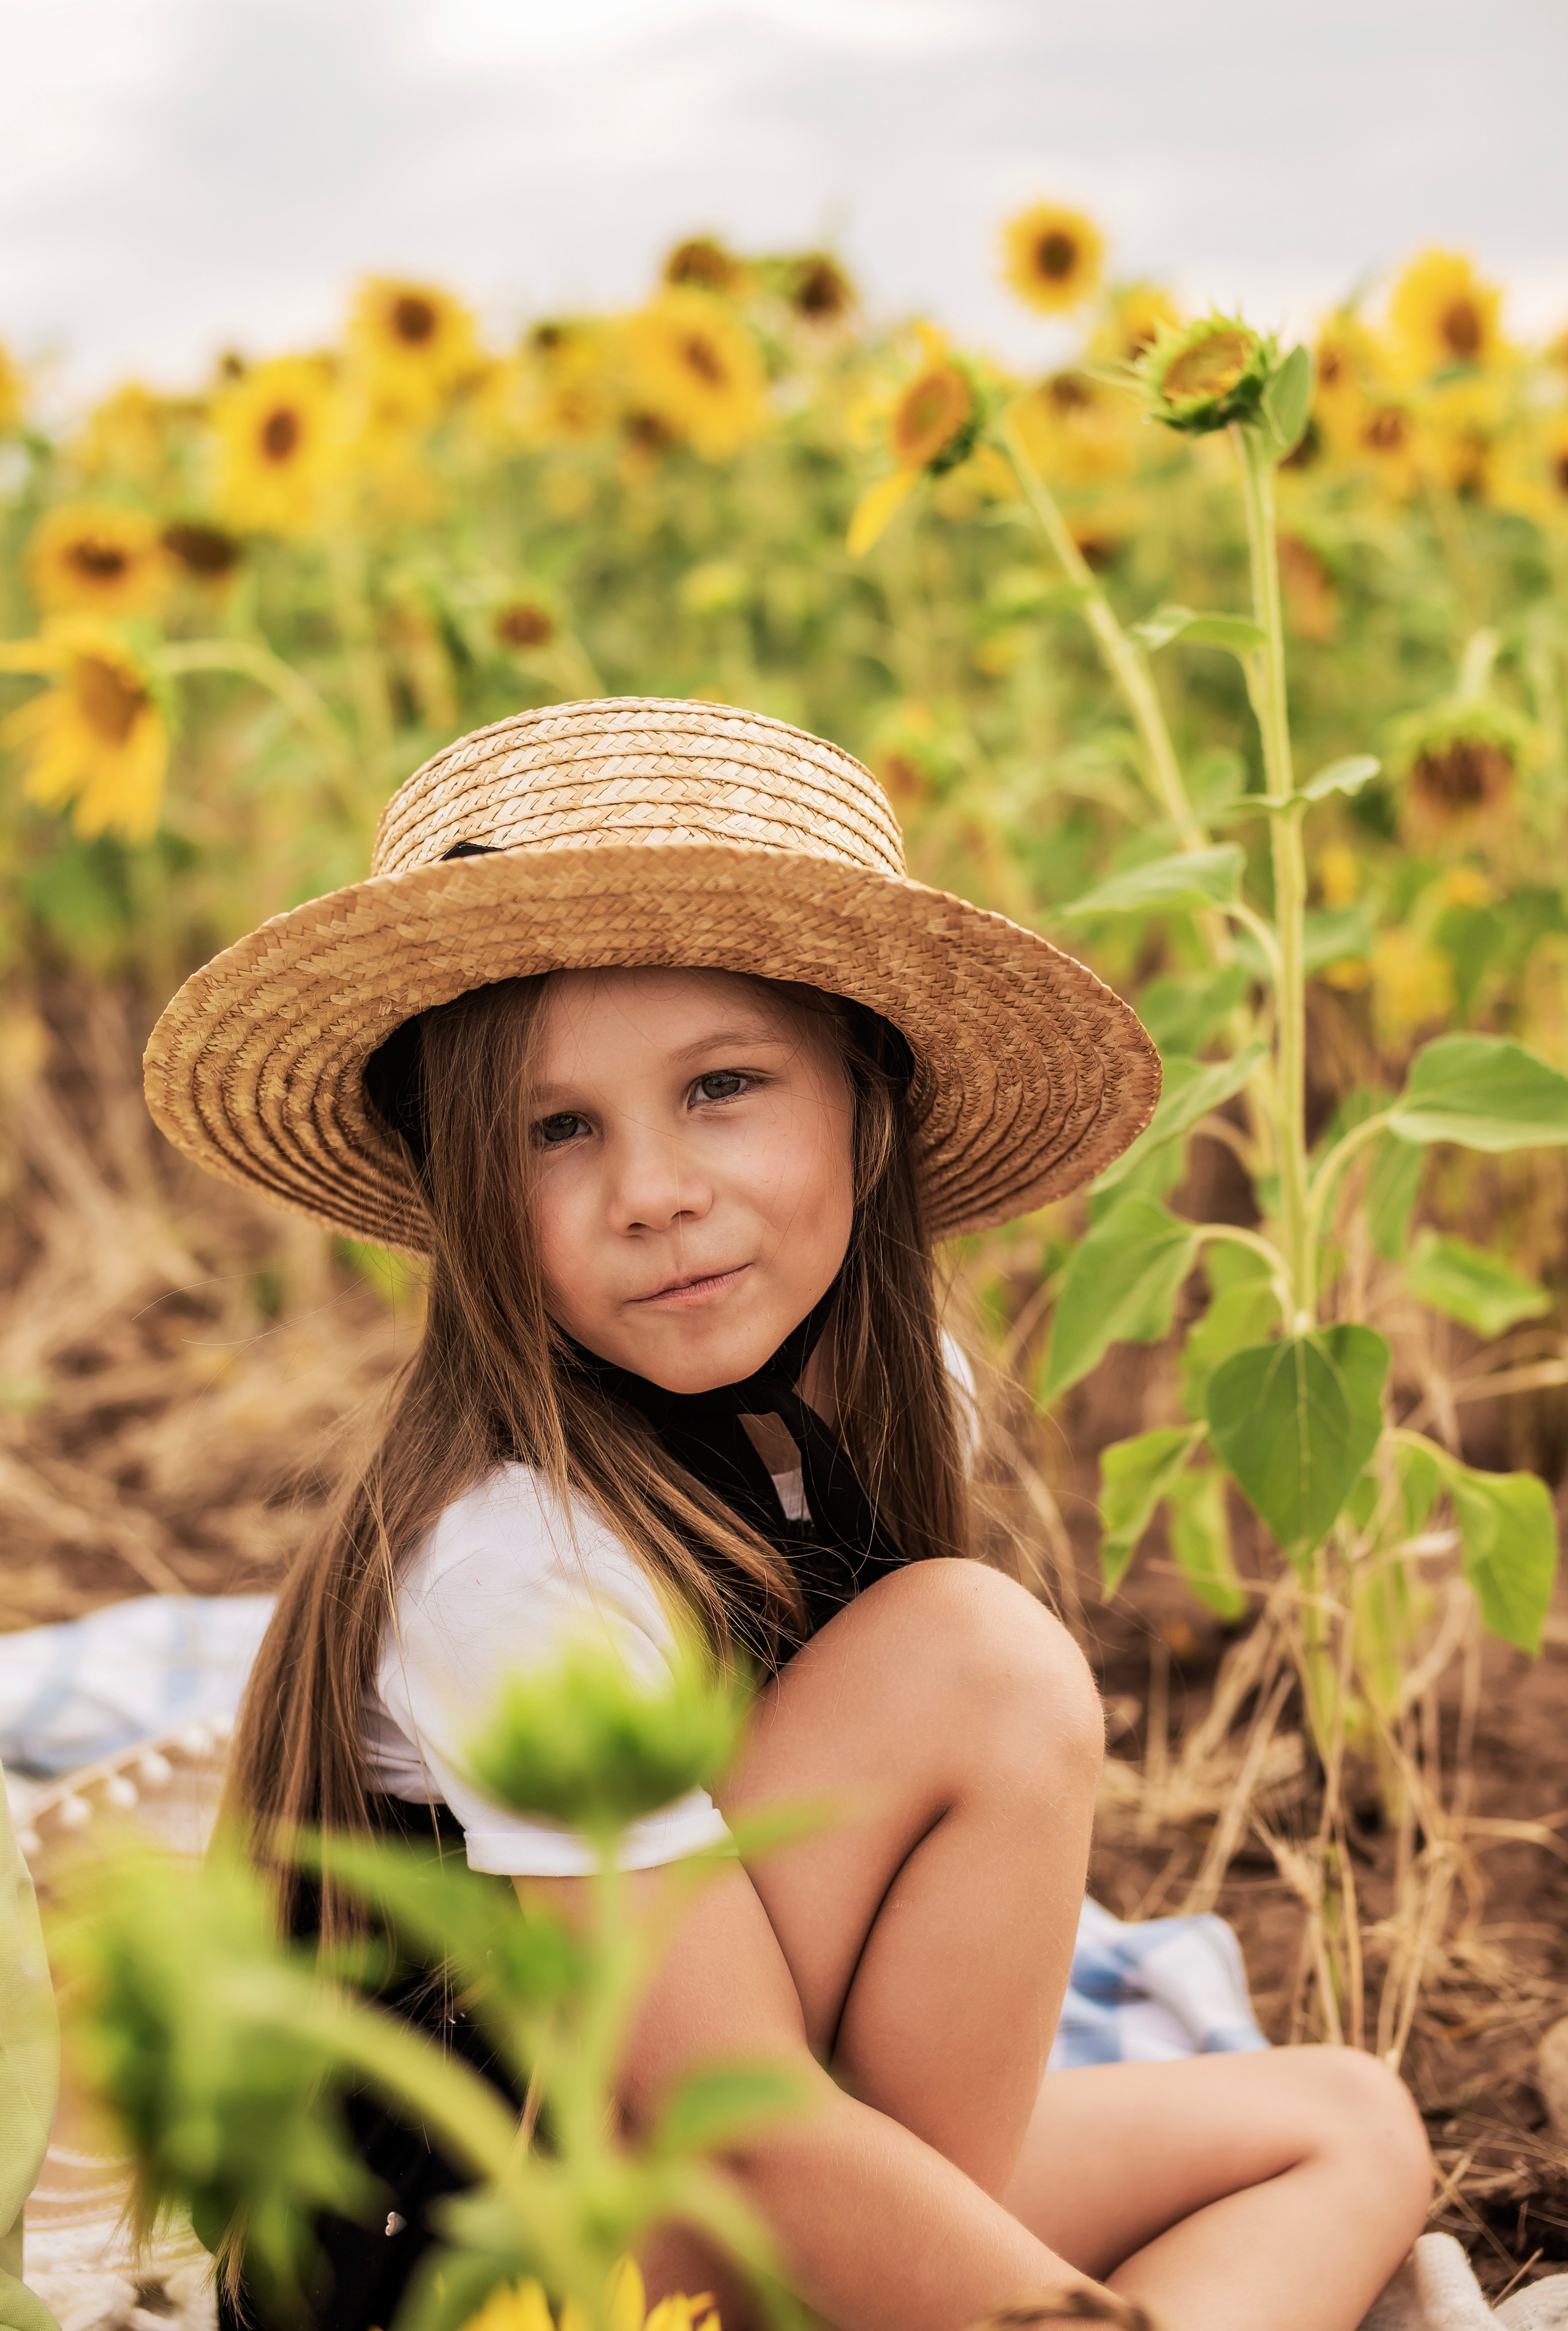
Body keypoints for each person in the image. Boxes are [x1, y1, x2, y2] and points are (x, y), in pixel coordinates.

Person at [146, 698, 1433, 2331]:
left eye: (723, 1086)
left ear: (866, 1103)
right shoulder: (512, 1566)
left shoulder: (861, 1409)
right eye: (558, 1130)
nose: (655, 1190)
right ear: (463, 1187)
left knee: (1342, 2126)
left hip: (718, 2172)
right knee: (979, 1660)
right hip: (500, 2273)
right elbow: (738, 2121)